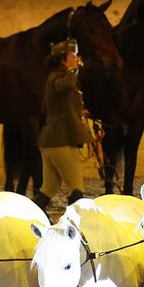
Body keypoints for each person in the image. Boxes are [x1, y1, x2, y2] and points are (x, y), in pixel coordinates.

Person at [35, 40, 91, 211]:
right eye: (71, 55)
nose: (75, 57)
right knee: (76, 188)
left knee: (48, 188)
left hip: (50, 141)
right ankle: (73, 227)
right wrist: (73, 69)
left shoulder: (56, 77)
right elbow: (64, 86)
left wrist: (79, 112)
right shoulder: (59, 77)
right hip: (61, 141)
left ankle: (30, 216)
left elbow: (62, 104)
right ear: (63, 59)